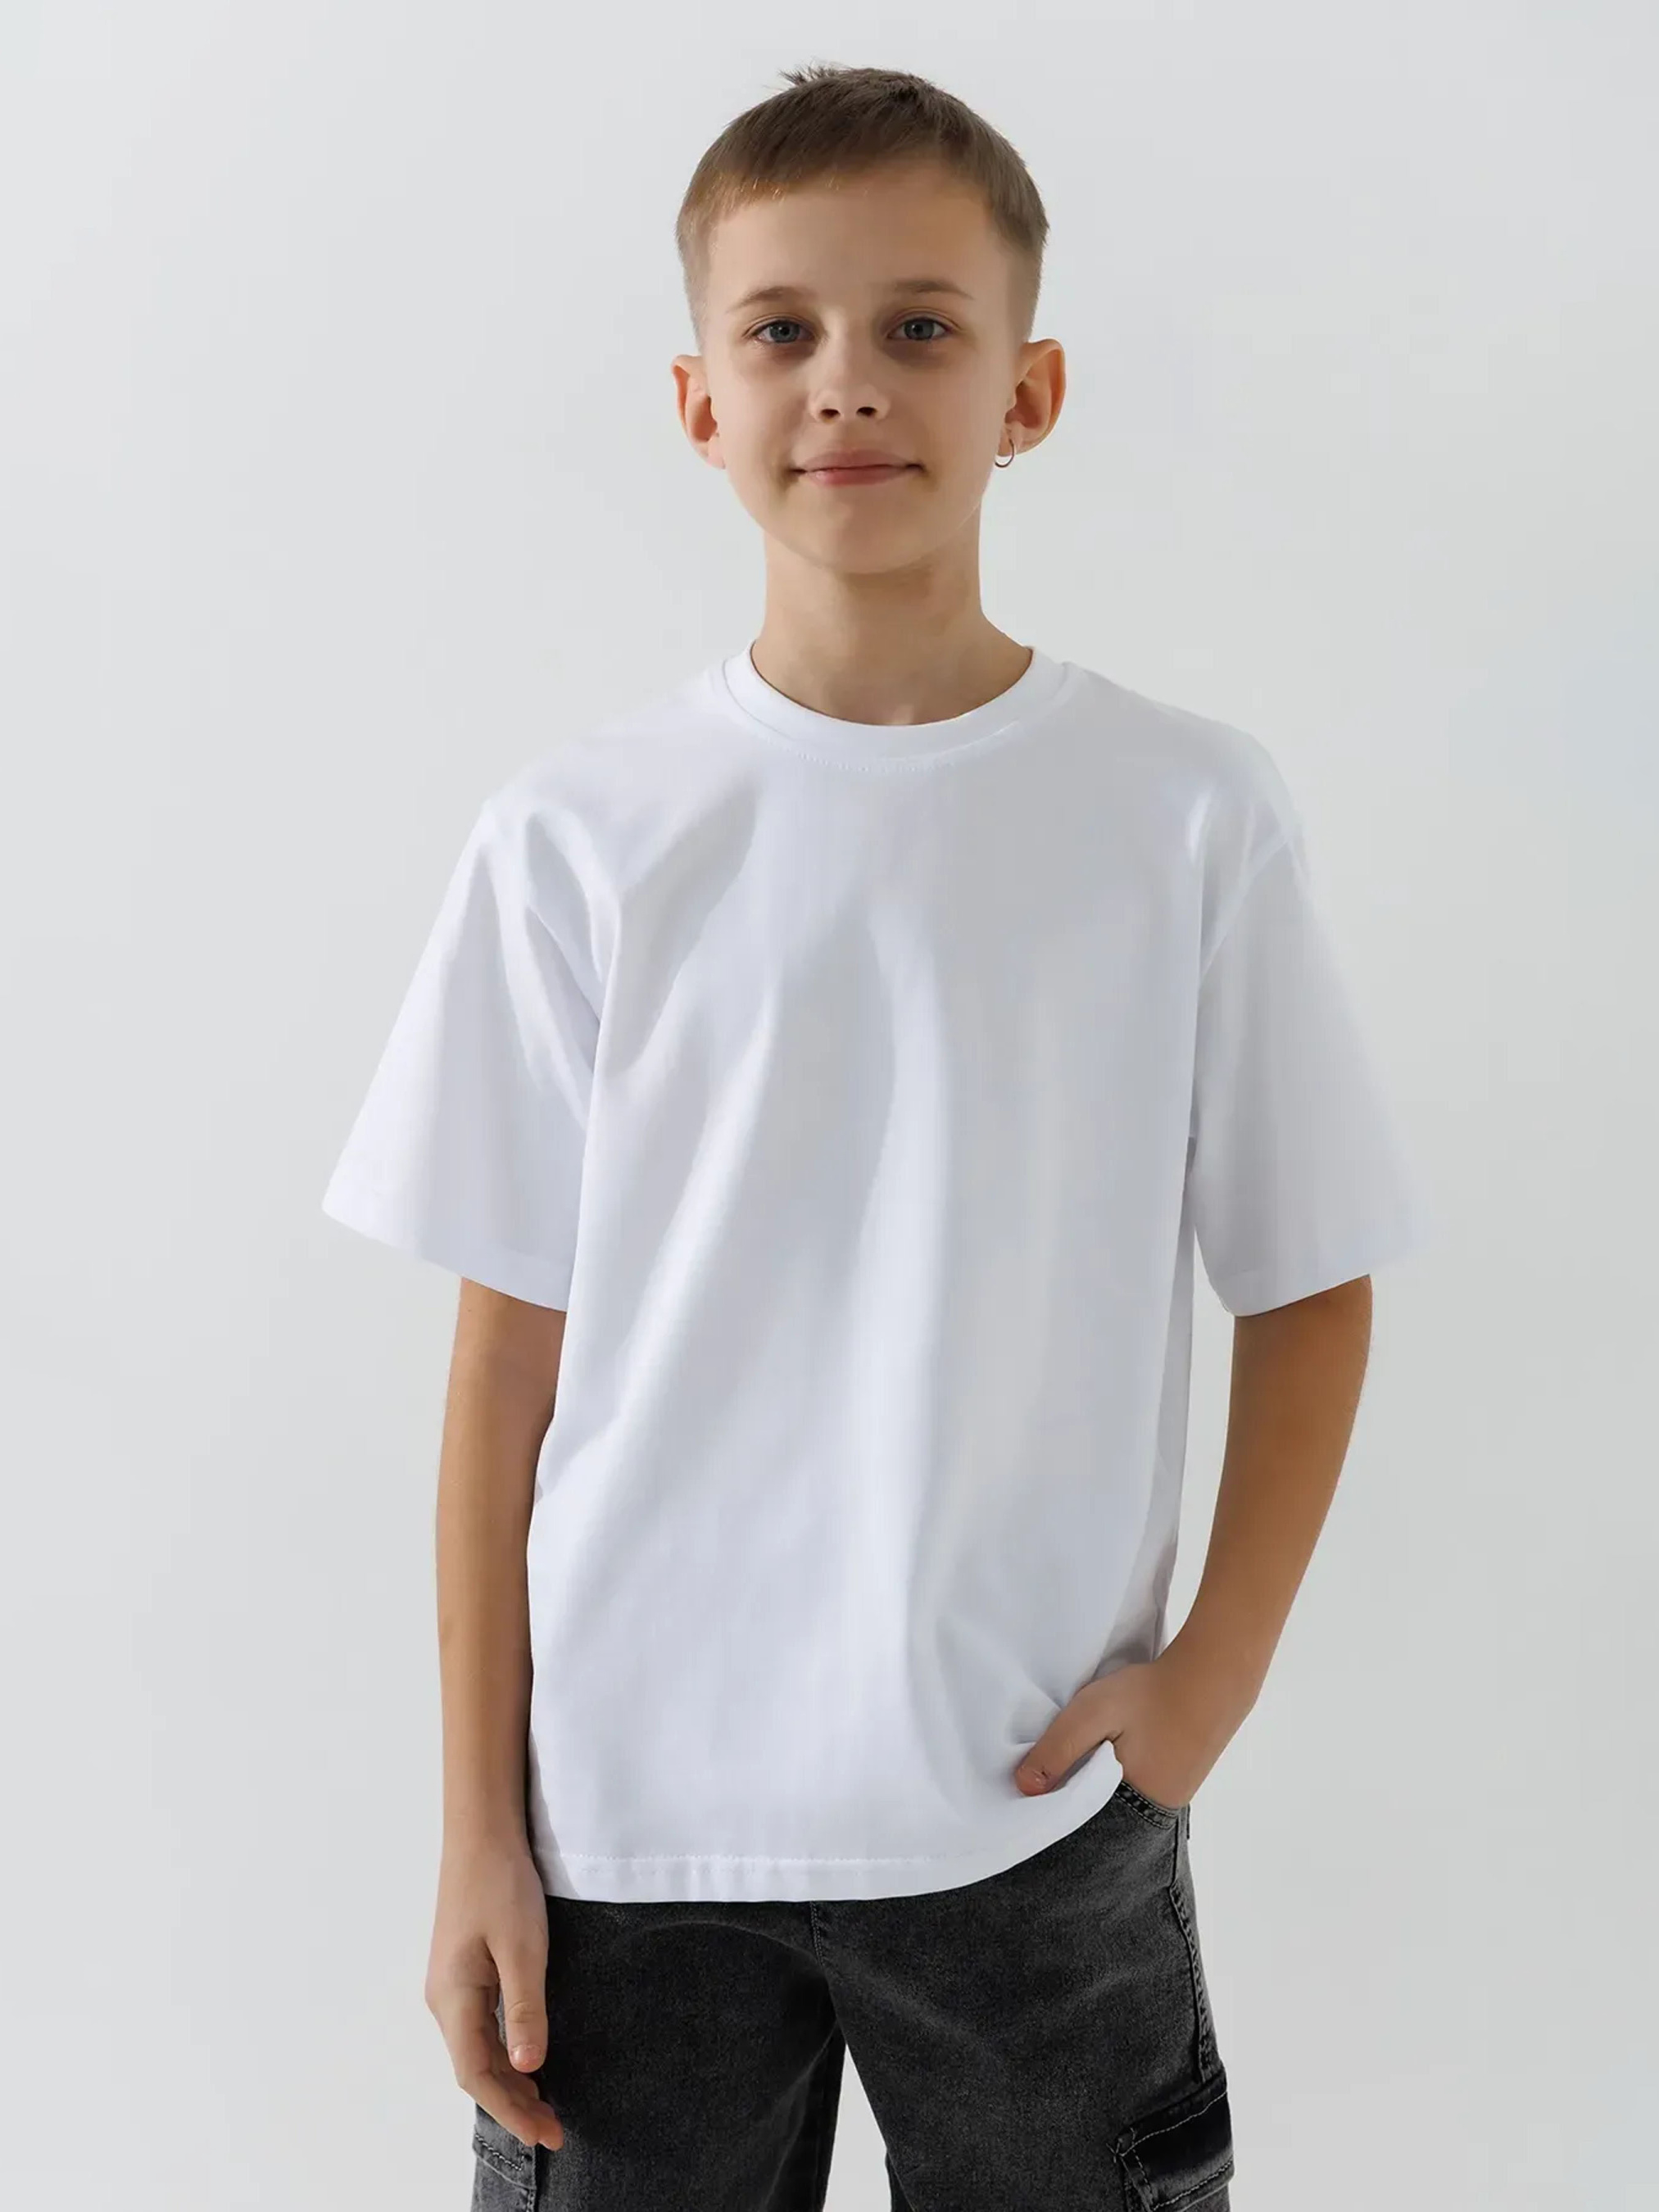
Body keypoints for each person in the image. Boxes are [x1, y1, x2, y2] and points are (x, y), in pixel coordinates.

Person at [320, 61, 1426, 2212]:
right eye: (782, 329)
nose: (848, 379)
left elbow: (1309, 1277)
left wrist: (1204, 1686)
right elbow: (505, 1368)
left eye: (921, 325)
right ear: (697, 402)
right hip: (626, 1842)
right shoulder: (578, 838)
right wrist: (475, 1827)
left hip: (1028, 1822)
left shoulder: (1181, 815)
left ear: (1028, 391)